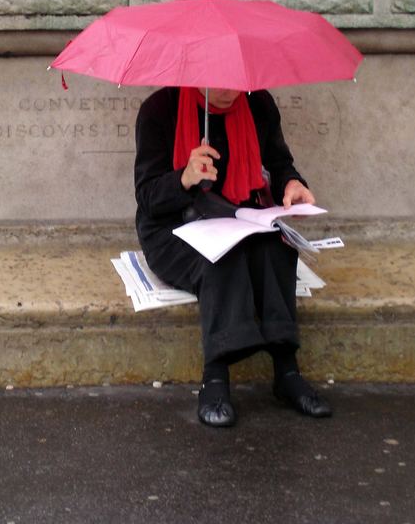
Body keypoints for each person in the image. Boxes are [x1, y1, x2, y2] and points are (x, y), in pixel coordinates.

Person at [134, 85, 331, 427]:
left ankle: (286, 371)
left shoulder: (259, 103)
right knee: (222, 258)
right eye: (217, 79)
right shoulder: (159, 108)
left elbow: (280, 163)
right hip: (174, 228)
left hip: (242, 217)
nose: (227, 90)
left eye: (234, 81)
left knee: (275, 250)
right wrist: (184, 178)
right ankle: (215, 377)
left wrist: (293, 184)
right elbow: (148, 197)